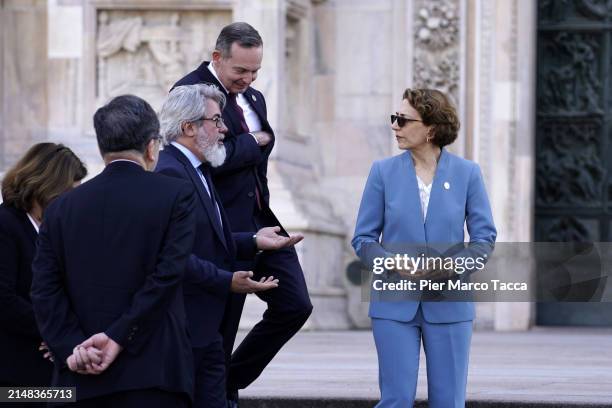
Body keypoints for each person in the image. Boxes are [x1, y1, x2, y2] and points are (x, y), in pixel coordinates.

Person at [173, 22, 312, 405]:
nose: (248, 79)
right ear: (217, 58)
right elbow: (209, 158)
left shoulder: (256, 98)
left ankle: (231, 379)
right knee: (223, 319)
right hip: (220, 226)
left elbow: (249, 160)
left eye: (255, 71)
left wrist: (249, 145)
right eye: (240, 71)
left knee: (295, 303)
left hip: (259, 218)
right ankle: (218, 393)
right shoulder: (191, 92)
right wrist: (252, 142)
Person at [31, 95, 197, 407]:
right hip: (153, 374)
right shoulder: (176, 195)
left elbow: (44, 290)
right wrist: (118, 336)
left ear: (101, 147)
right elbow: (167, 276)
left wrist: (73, 348)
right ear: (151, 146)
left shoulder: (61, 208)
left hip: (78, 378)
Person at [352, 88, 497, 408]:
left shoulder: (467, 174)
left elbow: (484, 239)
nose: (395, 126)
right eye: (394, 119)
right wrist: (392, 263)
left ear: (431, 128)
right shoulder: (382, 172)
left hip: (450, 304)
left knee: (449, 402)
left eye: (402, 120)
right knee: (395, 400)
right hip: (393, 304)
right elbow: (362, 239)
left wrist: (452, 267)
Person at [0, 143, 86, 399]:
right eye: (69, 192)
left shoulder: (54, 229)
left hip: (49, 368)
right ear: (47, 185)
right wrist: (54, 331)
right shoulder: (6, 224)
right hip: (14, 371)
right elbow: (3, 299)